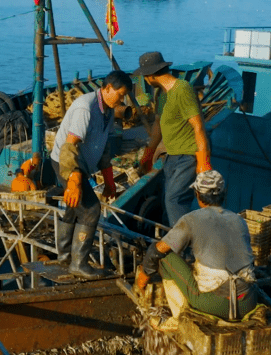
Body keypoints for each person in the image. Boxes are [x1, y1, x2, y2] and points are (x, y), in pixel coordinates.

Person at [136, 170, 256, 331]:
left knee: (164, 258)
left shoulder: (191, 219)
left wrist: (144, 275)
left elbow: (158, 250)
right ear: (224, 193)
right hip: (248, 302)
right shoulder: (238, 220)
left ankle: (178, 320)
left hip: (215, 304)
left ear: (198, 195)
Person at [50, 69, 133, 278]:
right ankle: (78, 264)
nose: (122, 100)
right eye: (120, 95)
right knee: (90, 210)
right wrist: (74, 181)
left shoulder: (108, 110)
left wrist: (109, 182)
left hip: (84, 165)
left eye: (124, 96)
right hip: (67, 162)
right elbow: (70, 147)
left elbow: (105, 149)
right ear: (106, 89)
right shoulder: (85, 108)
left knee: (73, 207)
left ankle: (64, 257)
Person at [135, 51, 211, 226]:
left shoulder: (182, 89)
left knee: (174, 200)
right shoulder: (162, 94)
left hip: (188, 156)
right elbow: (158, 126)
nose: (145, 79)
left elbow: (198, 126)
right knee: (165, 201)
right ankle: (169, 241)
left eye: (145, 76)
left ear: (150, 75)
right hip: (172, 157)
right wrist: (148, 154)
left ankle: (180, 247)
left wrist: (203, 162)